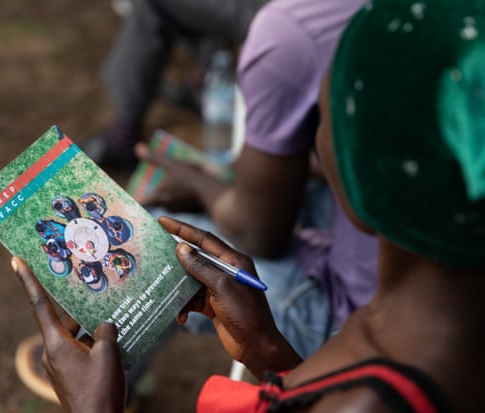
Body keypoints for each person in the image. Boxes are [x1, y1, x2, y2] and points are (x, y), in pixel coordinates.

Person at [10, 0, 485, 410]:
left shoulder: (362, 403)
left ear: (362, 181)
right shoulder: (440, 356)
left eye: (324, 122)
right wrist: (269, 353)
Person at [137, 0, 377, 358]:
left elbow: (259, 236)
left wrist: (203, 185)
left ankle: (107, 363)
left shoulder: (294, 32)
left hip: (356, 317)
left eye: (324, 123)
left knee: (146, 244)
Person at [88, 0, 268, 171]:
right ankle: (205, 79)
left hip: (272, 12)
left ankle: (124, 133)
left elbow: (243, 204)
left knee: (153, 3)